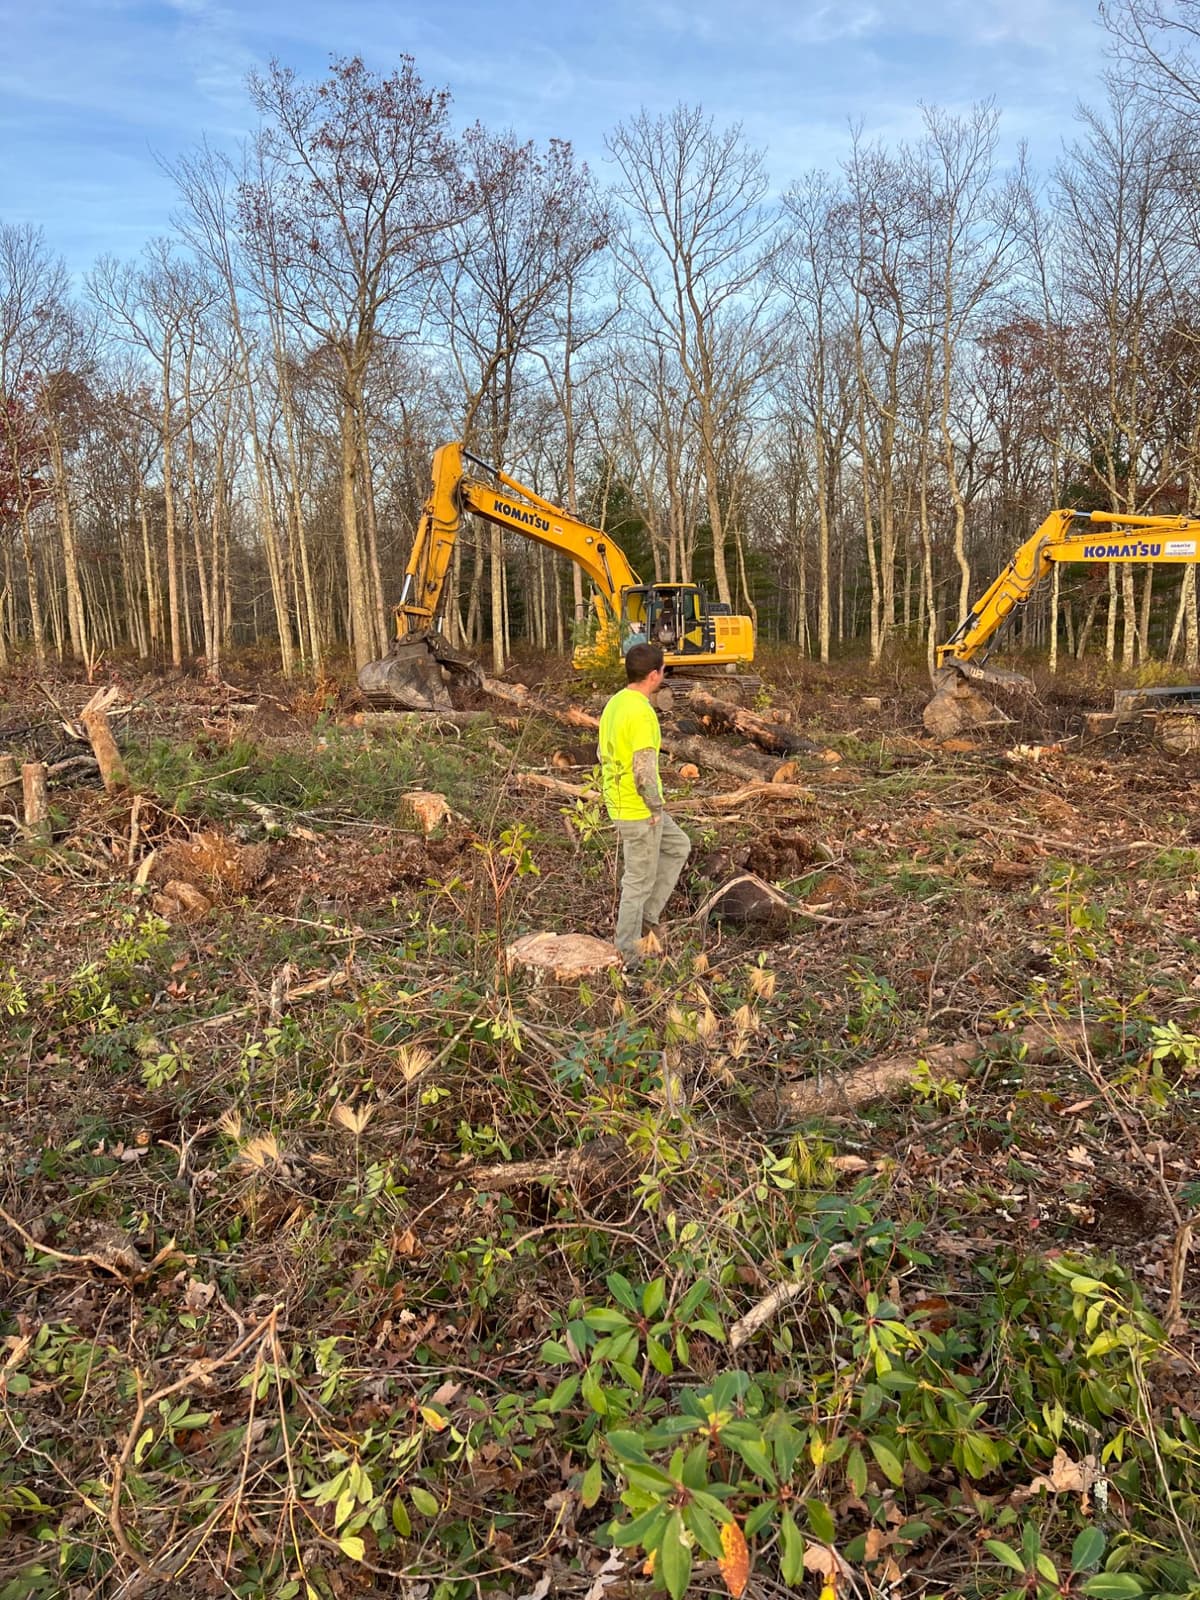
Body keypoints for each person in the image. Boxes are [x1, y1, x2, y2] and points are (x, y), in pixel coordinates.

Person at [598, 641, 691, 964]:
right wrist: (653, 808)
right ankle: (627, 955)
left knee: (679, 845)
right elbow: (644, 770)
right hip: (638, 808)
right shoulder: (641, 713)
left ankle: (648, 919)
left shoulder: (615, 704)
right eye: (663, 670)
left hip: (622, 801)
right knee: (638, 881)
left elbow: (602, 753)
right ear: (654, 675)